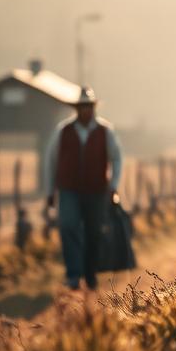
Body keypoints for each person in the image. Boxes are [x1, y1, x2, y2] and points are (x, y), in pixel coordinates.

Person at [42, 87, 123, 291]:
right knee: (68, 226)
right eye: (81, 107)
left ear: (93, 107)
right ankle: (73, 274)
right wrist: (50, 191)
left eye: (88, 106)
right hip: (69, 190)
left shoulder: (106, 131)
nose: (85, 110)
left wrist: (113, 186)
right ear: (76, 108)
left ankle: (90, 273)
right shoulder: (63, 131)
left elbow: (117, 158)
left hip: (97, 191)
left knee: (93, 232)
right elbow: (51, 161)